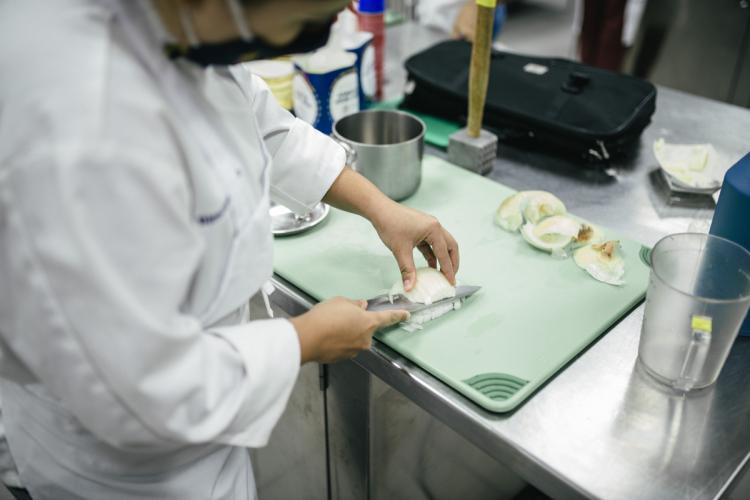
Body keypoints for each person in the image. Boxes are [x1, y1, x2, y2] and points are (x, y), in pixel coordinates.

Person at [0, 1, 460, 498]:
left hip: (203, 434)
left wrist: (380, 208)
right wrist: (301, 340)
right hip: (118, 473)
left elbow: (260, 123)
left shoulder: (182, 25)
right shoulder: (81, 127)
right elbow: (141, 390)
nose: (350, 6)